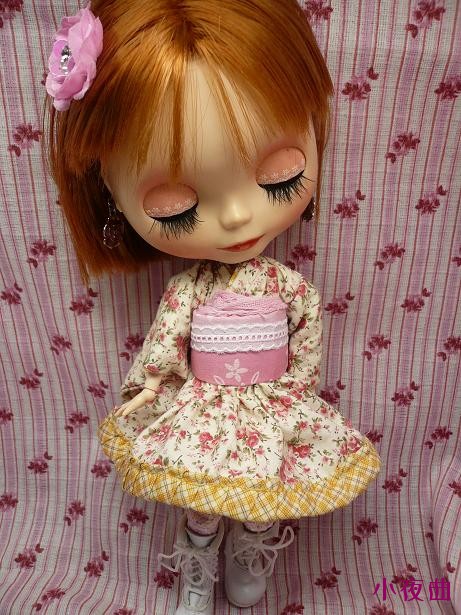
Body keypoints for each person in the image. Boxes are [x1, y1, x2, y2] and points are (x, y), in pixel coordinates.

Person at [44, 2, 381, 613]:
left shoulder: (289, 288)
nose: (237, 217)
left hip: (269, 407)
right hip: (205, 406)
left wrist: (295, 394)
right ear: (111, 196)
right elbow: (167, 341)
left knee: (263, 493)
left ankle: (251, 550)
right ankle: (197, 567)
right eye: (176, 207)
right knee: (201, 502)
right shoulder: (190, 290)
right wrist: (151, 386)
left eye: (279, 177)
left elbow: (306, 342)